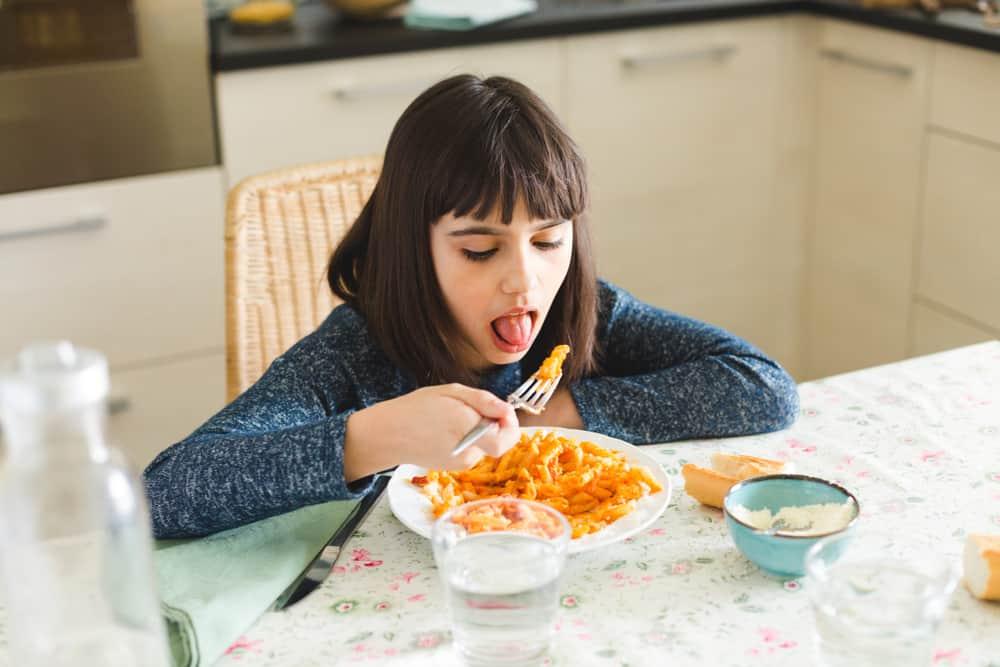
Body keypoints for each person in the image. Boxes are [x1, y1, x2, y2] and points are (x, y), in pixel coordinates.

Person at [144, 74, 798, 539]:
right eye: (481, 250)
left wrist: (553, 415)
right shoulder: (354, 353)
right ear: (412, 248)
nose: (526, 281)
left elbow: (762, 387)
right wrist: (376, 435)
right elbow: (166, 492)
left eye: (547, 240)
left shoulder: (583, 311)